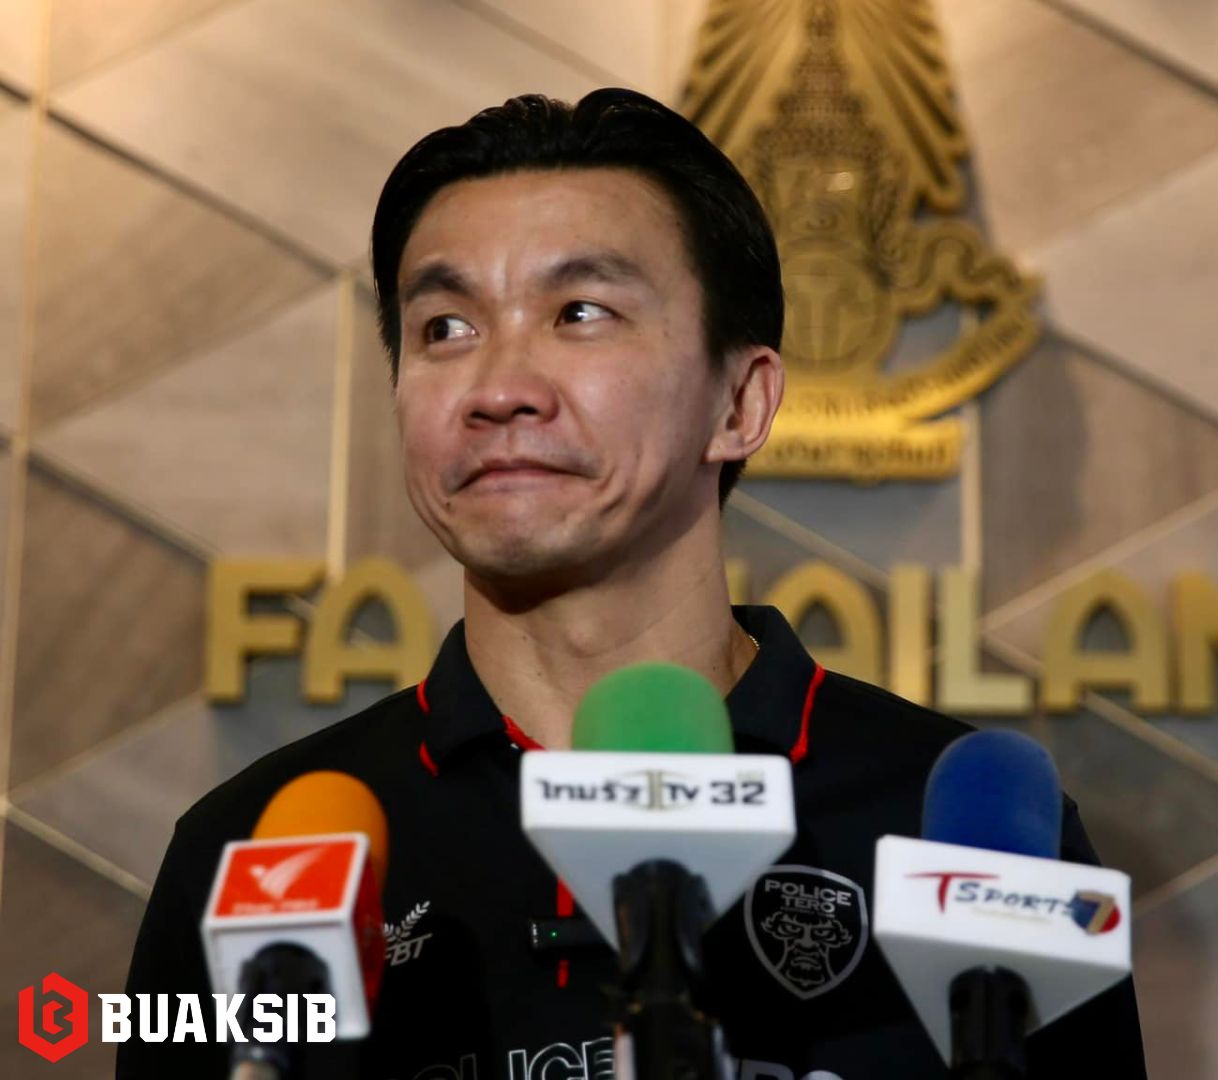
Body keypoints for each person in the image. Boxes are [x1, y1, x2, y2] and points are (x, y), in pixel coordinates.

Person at [122, 88, 1147, 1079]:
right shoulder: (259, 857)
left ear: (740, 403)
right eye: (446, 328)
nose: (499, 390)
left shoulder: (965, 840)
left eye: (579, 312)